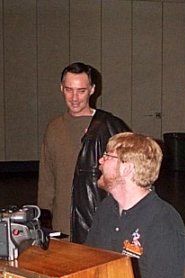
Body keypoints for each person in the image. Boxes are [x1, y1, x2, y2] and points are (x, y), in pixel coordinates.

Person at [85, 132, 185, 278]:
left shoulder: (164, 223)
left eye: (107, 156)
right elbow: (87, 263)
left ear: (127, 169)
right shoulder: (107, 209)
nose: (100, 160)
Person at [38, 62, 131, 243]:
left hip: (99, 224)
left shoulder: (109, 127)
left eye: (81, 90)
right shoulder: (54, 128)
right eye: (68, 89)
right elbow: (47, 181)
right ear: (61, 88)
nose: (74, 98)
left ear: (92, 90)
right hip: (62, 227)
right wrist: (42, 221)